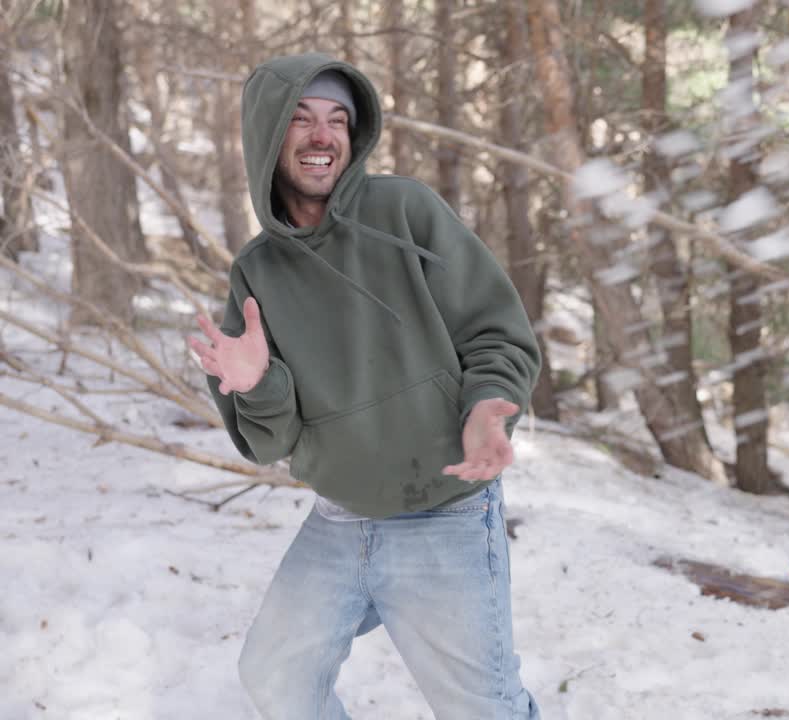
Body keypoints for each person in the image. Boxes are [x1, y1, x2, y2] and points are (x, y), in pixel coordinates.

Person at [188, 52, 542, 719]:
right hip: (340, 521)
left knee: (482, 709)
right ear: (267, 135)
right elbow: (271, 442)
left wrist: (488, 408)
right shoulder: (258, 272)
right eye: (300, 119)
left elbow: (497, 332)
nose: (323, 136)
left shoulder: (405, 211)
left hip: (445, 512)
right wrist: (256, 385)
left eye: (337, 120)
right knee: (277, 678)